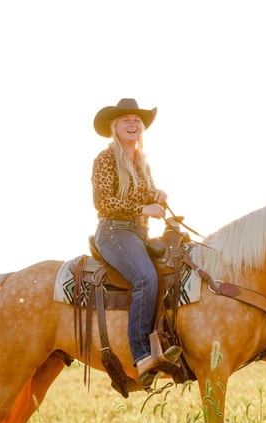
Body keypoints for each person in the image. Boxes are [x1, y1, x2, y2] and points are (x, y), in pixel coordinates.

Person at [91, 98, 182, 389]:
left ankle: (164, 342)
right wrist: (144, 209)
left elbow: (142, 195)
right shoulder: (105, 159)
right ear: (114, 127)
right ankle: (141, 355)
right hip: (114, 233)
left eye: (136, 120)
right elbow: (103, 201)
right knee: (145, 278)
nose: (133, 124)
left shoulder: (142, 162)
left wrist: (156, 196)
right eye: (125, 120)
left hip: (139, 235)